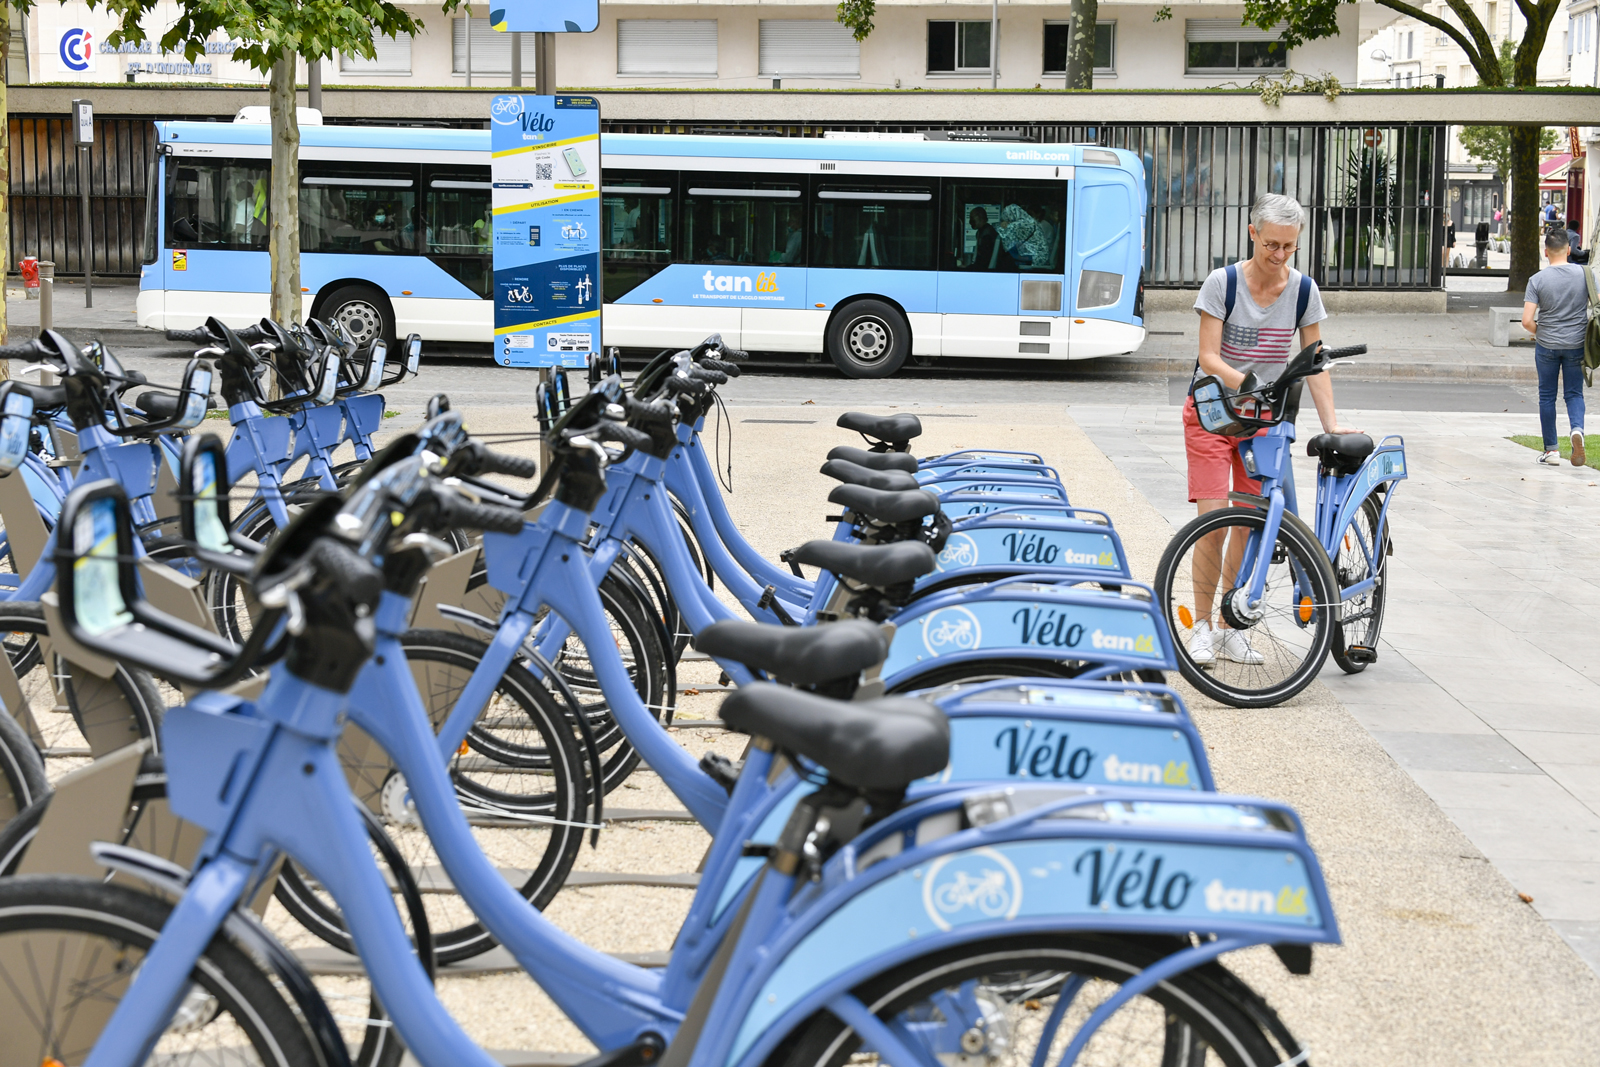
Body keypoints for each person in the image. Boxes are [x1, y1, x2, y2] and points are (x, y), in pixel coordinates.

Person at [1185, 192, 1356, 666]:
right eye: (1271, 245)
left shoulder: (1304, 292)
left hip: (1263, 421)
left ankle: (1226, 628)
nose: (1279, 255)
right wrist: (1251, 383)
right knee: (1212, 521)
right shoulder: (1222, 284)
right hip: (1215, 413)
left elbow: (1316, 364)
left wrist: (1332, 425)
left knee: (1245, 523)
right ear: (1252, 233)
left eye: (1289, 246)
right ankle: (1199, 627)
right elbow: (1209, 357)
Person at [1521, 228, 1588, 467]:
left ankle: (1551, 451)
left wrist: (1543, 331)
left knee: (1547, 396)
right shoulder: (1584, 275)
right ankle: (1577, 430)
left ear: (1546, 252)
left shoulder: (1537, 280)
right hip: (1577, 344)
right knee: (1574, 393)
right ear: (1569, 250)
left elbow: (1527, 321)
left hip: (1547, 345)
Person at [965, 207, 1013, 271]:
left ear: (980, 218)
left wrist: (969, 268)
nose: (970, 222)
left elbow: (983, 261)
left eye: (972, 219)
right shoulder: (982, 232)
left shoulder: (987, 235)